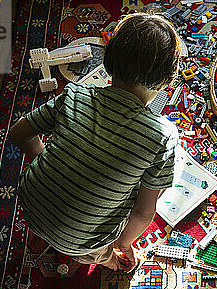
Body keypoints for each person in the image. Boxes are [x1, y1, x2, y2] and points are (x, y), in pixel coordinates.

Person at [9, 13, 180, 272]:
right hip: (78, 241)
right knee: (152, 188)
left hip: (31, 202)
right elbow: (144, 213)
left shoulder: (74, 94)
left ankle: (51, 234)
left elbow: (19, 133)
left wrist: (48, 160)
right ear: (168, 80)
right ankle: (105, 258)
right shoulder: (161, 137)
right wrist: (120, 244)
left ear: (108, 62)